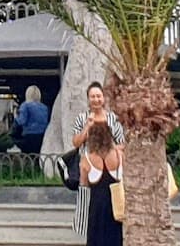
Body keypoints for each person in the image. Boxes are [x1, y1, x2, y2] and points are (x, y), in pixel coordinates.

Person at [74, 82, 123, 246]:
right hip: (91, 164)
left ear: (103, 98)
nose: (96, 99)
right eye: (92, 96)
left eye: (98, 96)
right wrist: (86, 128)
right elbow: (76, 142)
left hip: (102, 165)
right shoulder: (82, 118)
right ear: (88, 99)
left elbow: (122, 142)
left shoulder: (112, 118)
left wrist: (111, 149)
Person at [13, 84, 50, 154]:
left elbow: (22, 121)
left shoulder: (25, 105)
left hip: (29, 136)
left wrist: (15, 117)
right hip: (42, 136)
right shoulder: (45, 108)